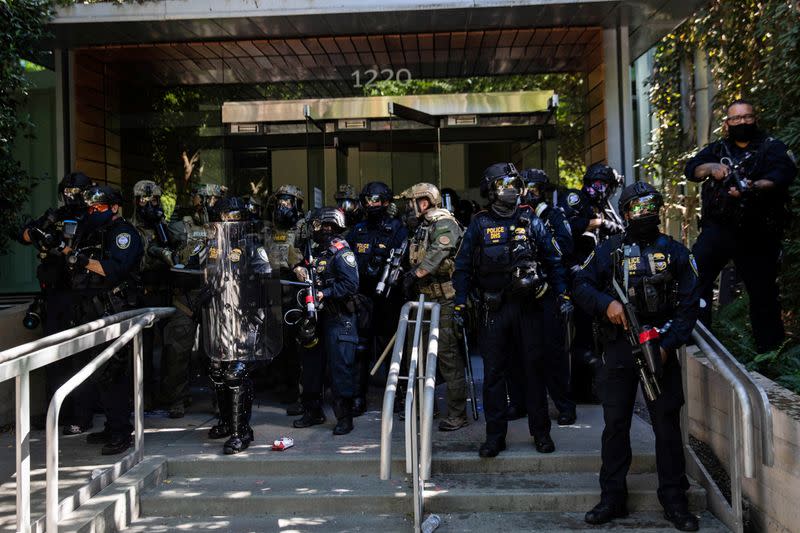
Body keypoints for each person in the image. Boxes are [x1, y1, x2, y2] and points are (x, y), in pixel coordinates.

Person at [573, 181, 700, 531]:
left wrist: (667, 342)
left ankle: (674, 500)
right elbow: (579, 285)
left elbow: (690, 305)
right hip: (618, 348)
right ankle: (613, 498)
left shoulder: (675, 251)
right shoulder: (610, 250)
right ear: (626, 213)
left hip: (660, 347)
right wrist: (607, 304)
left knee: (667, 427)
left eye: (650, 206)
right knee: (615, 425)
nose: (644, 213)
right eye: (636, 208)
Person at [453, 162, 569, 457]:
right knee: (493, 375)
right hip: (493, 309)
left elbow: (554, 261)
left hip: (529, 308)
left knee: (534, 371)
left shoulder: (531, 220)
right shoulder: (479, 224)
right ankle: (495, 437)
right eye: (504, 185)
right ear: (490, 190)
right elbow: (463, 267)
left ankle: (541, 433)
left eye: (515, 185)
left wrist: (562, 296)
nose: (512, 191)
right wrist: (460, 303)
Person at [685, 99, 797, 353]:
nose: (742, 122)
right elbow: (691, 169)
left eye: (747, 117)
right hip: (719, 229)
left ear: (755, 119)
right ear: (727, 124)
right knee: (694, 279)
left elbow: (783, 174)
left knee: (763, 295)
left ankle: (769, 356)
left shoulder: (772, 147)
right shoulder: (717, 149)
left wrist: (752, 188)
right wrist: (712, 168)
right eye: (736, 119)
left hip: (757, 232)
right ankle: (700, 345)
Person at [63, 185, 144, 454]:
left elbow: (114, 270)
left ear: (114, 207)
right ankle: (113, 425)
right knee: (101, 373)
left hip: (116, 307)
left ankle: (121, 432)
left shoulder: (123, 234)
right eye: (90, 208)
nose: (92, 212)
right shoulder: (96, 231)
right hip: (93, 308)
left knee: (114, 373)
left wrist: (79, 259)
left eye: (98, 208)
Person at [202, 197, 283, 454]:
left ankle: (242, 432)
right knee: (217, 369)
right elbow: (199, 269)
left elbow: (267, 276)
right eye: (224, 218)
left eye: (233, 218)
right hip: (219, 316)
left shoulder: (252, 246)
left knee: (236, 372)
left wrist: (257, 307)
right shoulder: (213, 246)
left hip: (243, 316)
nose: (228, 222)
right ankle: (226, 422)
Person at [18, 171, 95, 433]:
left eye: (76, 192)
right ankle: (57, 413)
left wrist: (62, 244)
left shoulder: (92, 219)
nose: (70, 196)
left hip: (79, 294)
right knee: (53, 354)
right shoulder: (57, 215)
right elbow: (24, 235)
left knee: (79, 355)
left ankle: (81, 416)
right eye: (67, 191)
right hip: (53, 294)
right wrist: (41, 230)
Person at [397, 182, 467, 431]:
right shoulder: (421, 227)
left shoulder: (444, 223)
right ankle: (424, 407)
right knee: (416, 353)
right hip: (422, 299)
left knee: (447, 355)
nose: (408, 208)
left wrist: (415, 274)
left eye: (412, 202)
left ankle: (458, 412)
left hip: (443, 299)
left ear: (424, 202)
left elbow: (437, 254)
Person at [515, 168, 577, 426]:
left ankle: (564, 406)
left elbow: (565, 248)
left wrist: (541, 237)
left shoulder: (554, 216)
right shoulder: (513, 216)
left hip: (548, 290)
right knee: (519, 352)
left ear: (543, 191)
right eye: (525, 188)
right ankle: (520, 403)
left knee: (553, 353)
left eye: (535, 188)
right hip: (520, 292)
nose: (529, 193)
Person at [559, 163, 625, 403]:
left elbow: (620, 230)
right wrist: (599, 223)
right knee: (584, 335)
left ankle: (596, 386)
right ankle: (581, 390)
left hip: (601, 279)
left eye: (604, 185)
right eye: (597, 183)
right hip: (579, 277)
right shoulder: (576, 199)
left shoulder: (603, 206)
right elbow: (568, 226)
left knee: (599, 337)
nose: (600, 189)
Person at [292, 207, 361, 435]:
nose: (313, 229)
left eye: (317, 225)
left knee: (340, 367)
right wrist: (299, 269)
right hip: (315, 318)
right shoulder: (316, 251)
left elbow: (351, 285)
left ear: (328, 226)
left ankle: (344, 417)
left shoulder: (341, 252)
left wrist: (325, 293)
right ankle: (312, 411)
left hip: (337, 317)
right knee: (311, 367)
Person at [131, 180, 196, 418]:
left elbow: (184, 253)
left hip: (170, 294)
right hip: (143, 295)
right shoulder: (130, 230)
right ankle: (144, 397)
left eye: (154, 200)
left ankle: (175, 397)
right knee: (142, 350)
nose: (149, 205)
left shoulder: (168, 229)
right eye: (143, 200)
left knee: (175, 349)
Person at [347, 182, 408, 415]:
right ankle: (357, 398)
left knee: (392, 348)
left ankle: (399, 395)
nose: (372, 205)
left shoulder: (397, 228)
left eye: (377, 200)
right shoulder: (357, 229)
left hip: (388, 300)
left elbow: (403, 261)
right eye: (368, 200)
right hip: (363, 297)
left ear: (386, 202)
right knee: (360, 348)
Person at [263, 184, 306, 414]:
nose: (283, 205)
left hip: (294, 286)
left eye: (289, 201)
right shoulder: (268, 228)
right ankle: (280, 381)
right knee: (275, 337)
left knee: (295, 339)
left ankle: (298, 389)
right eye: (281, 200)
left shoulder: (303, 227)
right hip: (271, 285)